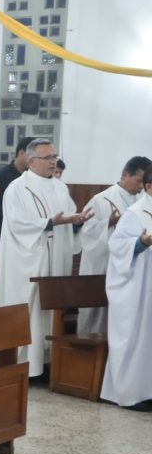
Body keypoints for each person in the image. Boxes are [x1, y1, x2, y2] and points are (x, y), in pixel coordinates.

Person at [0, 139, 91, 377]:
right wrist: (50, 223)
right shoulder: (17, 188)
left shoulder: (60, 188)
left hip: (55, 259)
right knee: (30, 310)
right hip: (29, 262)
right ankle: (26, 365)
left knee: (51, 311)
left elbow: (68, 216)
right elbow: (17, 224)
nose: (53, 162)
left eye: (55, 156)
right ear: (31, 161)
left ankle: (47, 363)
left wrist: (77, 221)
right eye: (48, 158)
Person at [77, 156, 151, 334]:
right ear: (125, 174)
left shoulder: (144, 201)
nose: (141, 186)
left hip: (132, 268)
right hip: (101, 263)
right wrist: (109, 222)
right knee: (95, 315)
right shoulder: (101, 199)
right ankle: (87, 348)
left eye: (144, 182)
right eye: (138, 181)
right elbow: (85, 232)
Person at [101, 167, 152, 409]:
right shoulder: (135, 213)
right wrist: (140, 243)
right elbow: (116, 246)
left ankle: (147, 391)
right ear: (149, 187)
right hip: (136, 290)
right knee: (134, 340)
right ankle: (127, 393)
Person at [0, 136, 34, 253]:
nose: (33, 160)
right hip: (4, 235)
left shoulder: (33, 177)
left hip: (29, 236)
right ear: (21, 153)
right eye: (32, 155)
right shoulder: (1, 175)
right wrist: (17, 220)